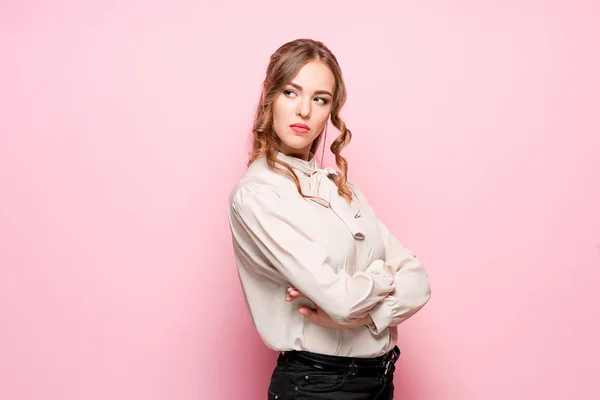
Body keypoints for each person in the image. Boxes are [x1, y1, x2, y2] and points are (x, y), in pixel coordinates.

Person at [227, 38, 431, 400]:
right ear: (270, 97)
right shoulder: (259, 194)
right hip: (319, 386)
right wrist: (383, 278)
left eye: (320, 99)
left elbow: (418, 282)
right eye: (292, 92)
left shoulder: (338, 187)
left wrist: (365, 310)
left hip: (380, 378)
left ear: (330, 111)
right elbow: (341, 302)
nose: (304, 110)